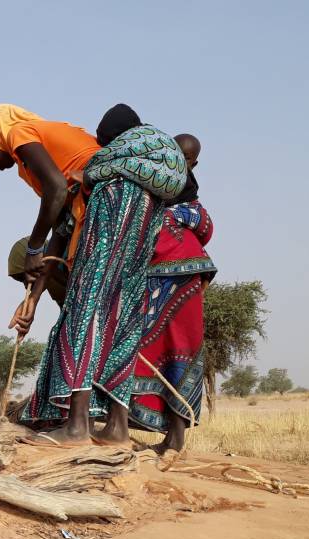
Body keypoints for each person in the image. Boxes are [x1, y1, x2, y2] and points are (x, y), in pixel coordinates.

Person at [8, 104, 188, 447]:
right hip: (140, 239)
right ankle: (118, 428)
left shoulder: (93, 179)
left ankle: (77, 427)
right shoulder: (150, 185)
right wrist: (31, 302)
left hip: (106, 233)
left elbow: (55, 245)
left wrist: (32, 294)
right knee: (123, 320)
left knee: (84, 314)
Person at [129, 134, 215, 453]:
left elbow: (204, 225)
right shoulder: (186, 195)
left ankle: (171, 437)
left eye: (184, 156)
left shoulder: (158, 184)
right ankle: (171, 437)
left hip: (170, 271)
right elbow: (205, 228)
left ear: (193, 162)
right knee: (173, 350)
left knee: (167, 349)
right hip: (188, 270)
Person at [0, 104, 101, 313]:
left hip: (101, 197)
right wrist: (32, 300)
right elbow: (60, 229)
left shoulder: (19, 132)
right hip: (88, 204)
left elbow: (58, 188)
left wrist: (34, 248)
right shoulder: (29, 166)